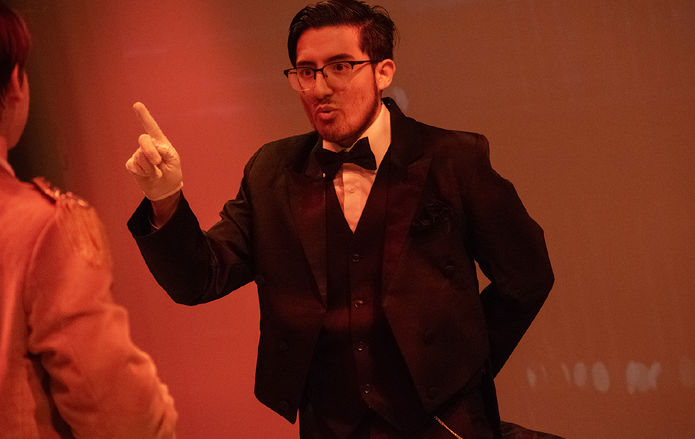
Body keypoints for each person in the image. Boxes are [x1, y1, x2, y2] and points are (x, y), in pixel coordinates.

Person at [125, 0, 553, 438]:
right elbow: (200, 278)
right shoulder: (271, 171)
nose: (320, 88)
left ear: (383, 71)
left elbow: (528, 277)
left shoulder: (453, 159)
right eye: (305, 71)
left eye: (340, 66)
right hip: (330, 424)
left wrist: (461, 367)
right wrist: (165, 198)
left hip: (442, 422)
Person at [0, 4, 178, 438]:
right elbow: (120, 415)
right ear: (14, 84)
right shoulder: (43, 226)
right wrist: (161, 415)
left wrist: (167, 199)